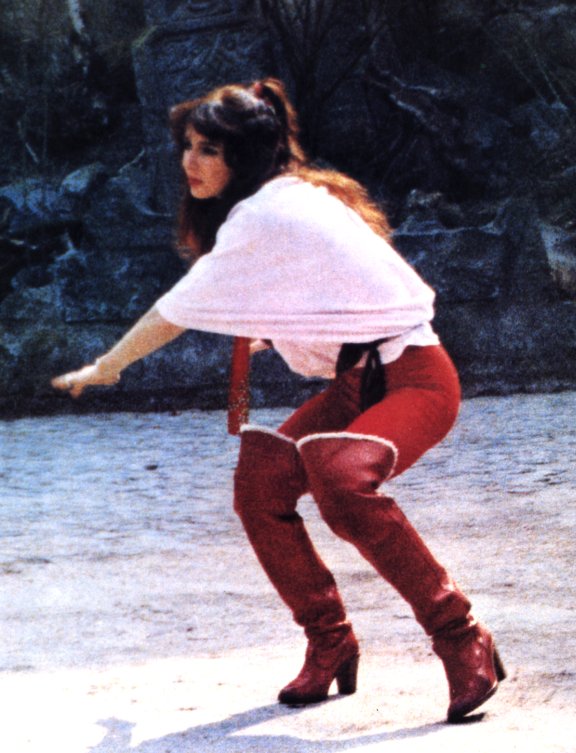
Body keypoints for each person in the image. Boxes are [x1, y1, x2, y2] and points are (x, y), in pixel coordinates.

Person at [52, 77, 505, 723]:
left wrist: (109, 365)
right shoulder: (283, 201)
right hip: (357, 380)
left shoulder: (267, 212)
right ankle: (330, 640)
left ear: (244, 157)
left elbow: (175, 309)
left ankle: (461, 635)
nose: (190, 162)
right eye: (187, 147)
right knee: (260, 482)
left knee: (341, 477)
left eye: (209, 150)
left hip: (416, 377)